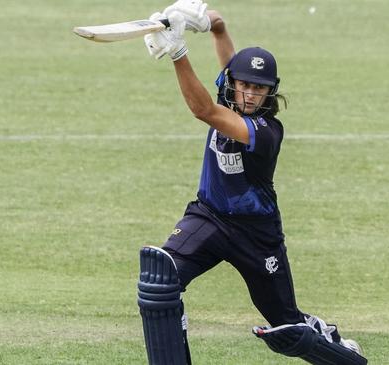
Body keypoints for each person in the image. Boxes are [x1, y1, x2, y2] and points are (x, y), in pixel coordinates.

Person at [135, 1, 368, 364]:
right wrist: (207, 22)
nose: (249, 95)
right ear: (232, 82)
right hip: (208, 217)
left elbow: (203, 111)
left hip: (256, 236)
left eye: (259, 89)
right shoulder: (232, 92)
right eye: (243, 85)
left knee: (286, 327)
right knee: (160, 282)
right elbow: (221, 34)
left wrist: (179, 50)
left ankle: (341, 351)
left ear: (270, 91)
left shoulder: (266, 131)